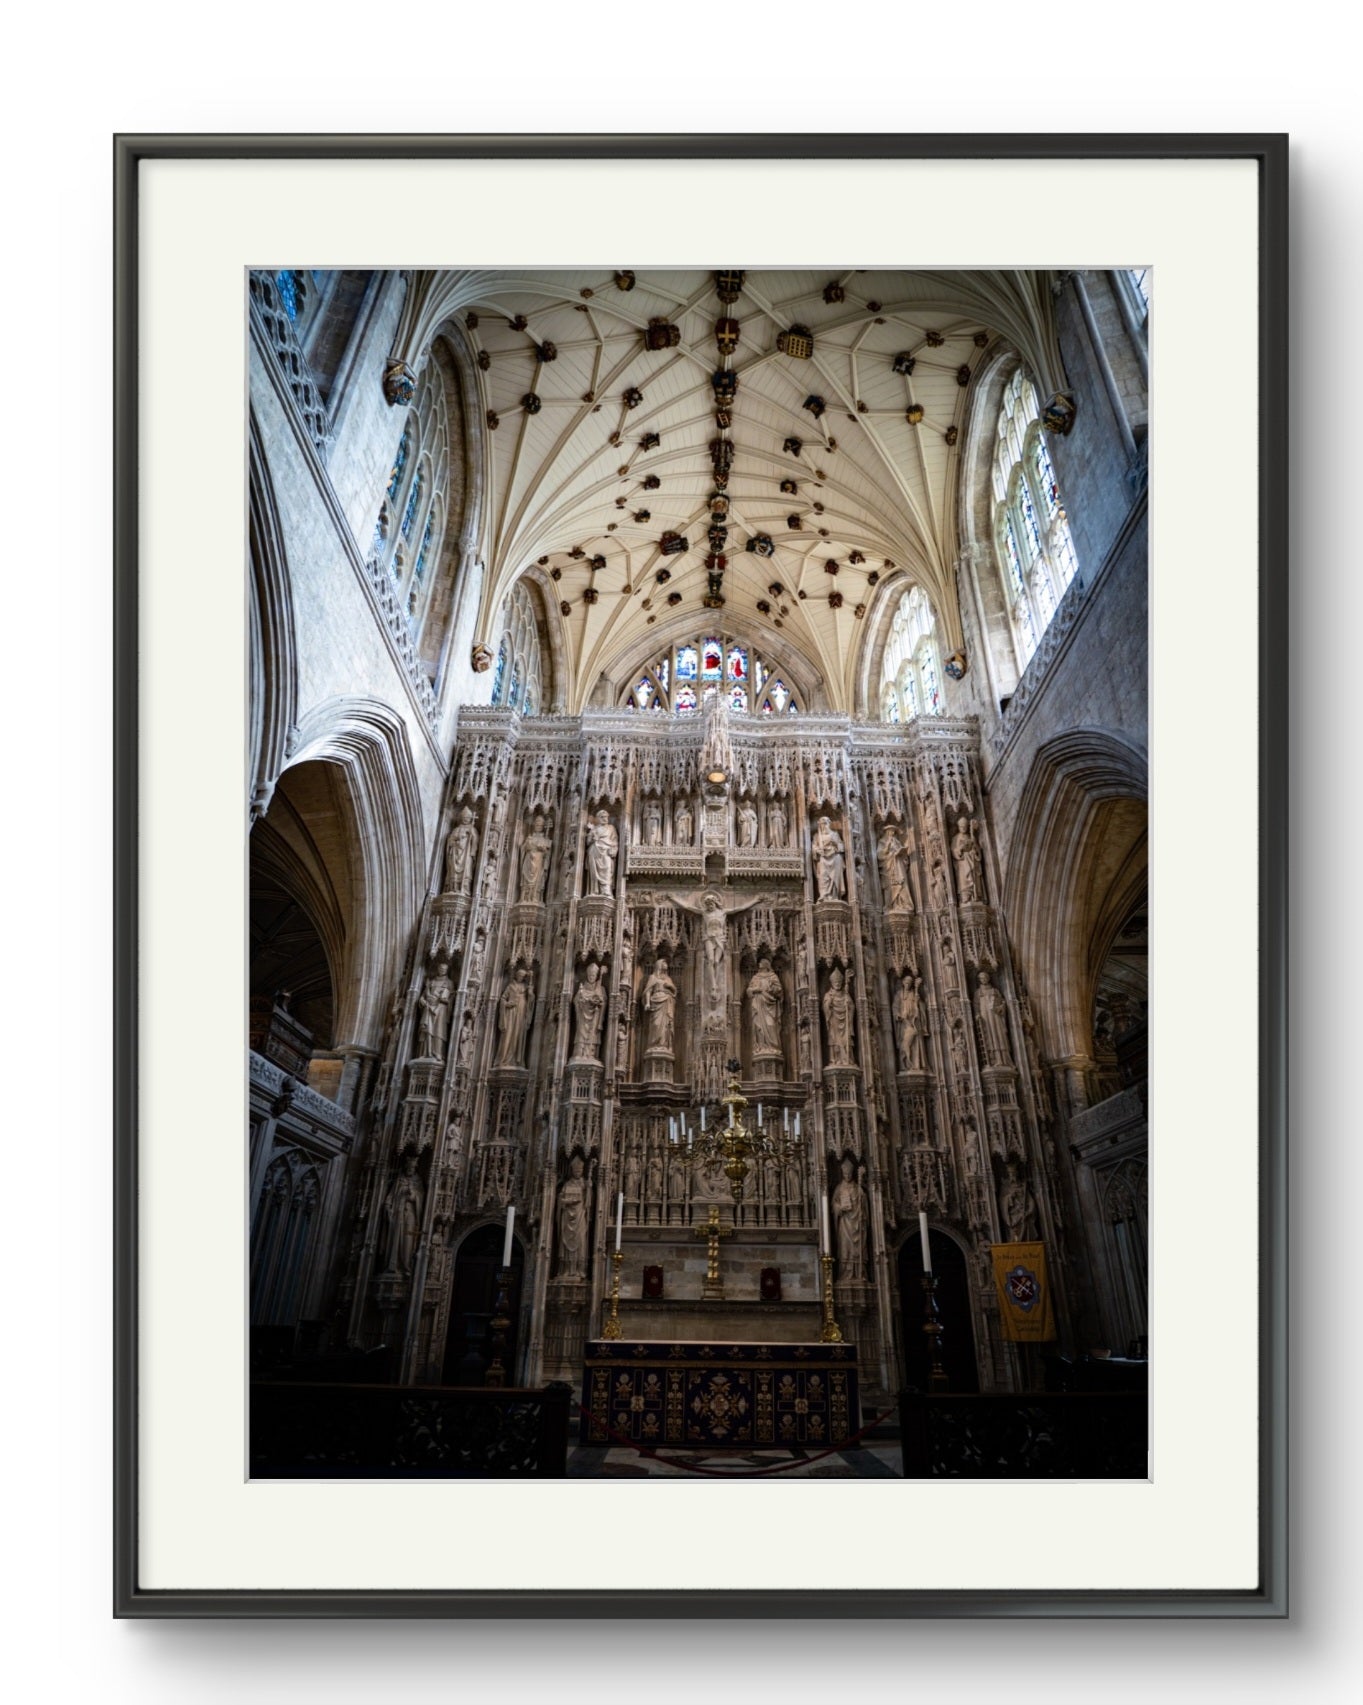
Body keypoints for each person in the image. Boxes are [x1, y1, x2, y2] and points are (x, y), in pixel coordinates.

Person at [381, 1153, 424, 1275]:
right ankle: (392, 1266)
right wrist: (388, 1207)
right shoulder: (399, 1180)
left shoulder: (417, 1181)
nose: (410, 1170)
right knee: (395, 1238)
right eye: (408, 1167)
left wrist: (413, 1195)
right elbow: (390, 1196)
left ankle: (406, 1266)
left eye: (412, 1168)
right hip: (397, 1212)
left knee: (408, 1239)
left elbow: (420, 1197)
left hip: (410, 1214)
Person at [832, 1156, 868, 1279]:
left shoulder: (858, 1189)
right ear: (842, 1173)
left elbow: (864, 1204)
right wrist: (839, 1208)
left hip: (856, 1223)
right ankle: (846, 1275)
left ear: (852, 1173)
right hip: (844, 1223)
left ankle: (859, 1274)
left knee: (858, 1250)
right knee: (845, 1249)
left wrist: (861, 1201)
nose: (847, 1175)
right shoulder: (839, 1188)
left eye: (849, 1173)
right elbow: (834, 1204)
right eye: (845, 1173)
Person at [556, 1156, 590, 1278]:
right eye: (576, 1171)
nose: (578, 1173)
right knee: (566, 1243)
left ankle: (579, 1269)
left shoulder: (585, 1184)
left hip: (580, 1216)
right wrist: (566, 1201)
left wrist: (589, 1188)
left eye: (580, 1171)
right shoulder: (567, 1184)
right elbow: (560, 1199)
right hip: (567, 1218)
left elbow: (589, 1203)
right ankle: (566, 1269)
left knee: (581, 1241)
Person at [493, 966, 532, 1067]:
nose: (520, 977)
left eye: (523, 976)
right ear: (516, 975)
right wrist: (506, 1004)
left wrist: (531, 993)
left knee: (518, 1036)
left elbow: (531, 1000)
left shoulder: (526, 987)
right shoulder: (510, 986)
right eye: (519, 975)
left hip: (521, 1012)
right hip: (510, 1013)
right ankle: (503, 1060)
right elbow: (502, 999)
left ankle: (515, 1060)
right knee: (508, 1035)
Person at [746, 957, 783, 1056]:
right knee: (759, 1027)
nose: (760, 965)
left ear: (767, 965)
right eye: (759, 964)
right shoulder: (756, 977)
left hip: (770, 1006)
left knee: (771, 1025)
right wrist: (755, 989)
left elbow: (779, 990)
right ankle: (761, 1047)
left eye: (762, 963)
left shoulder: (773, 976)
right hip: (758, 1005)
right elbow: (748, 991)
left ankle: (772, 1047)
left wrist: (771, 988)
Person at [416, 961, 453, 1059]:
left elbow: (451, 999)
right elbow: (423, 996)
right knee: (427, 1030)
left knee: (438, 1031)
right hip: (428, 1008)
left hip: (440, 1010)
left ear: (447, 970)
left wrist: (443, 1000)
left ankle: (437, 1052)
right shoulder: (431, 982)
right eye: (440, 968)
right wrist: (422, 1000)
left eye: (444, 969)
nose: (442, 970)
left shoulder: (449, 983)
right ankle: (424, 1052)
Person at [877, 820, 913, 913]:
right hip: (889, 867)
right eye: (890, 831)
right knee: (890, 886)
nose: (892, 833)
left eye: (893, 831)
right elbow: (879, 856)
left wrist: (902, 853)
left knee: (902, 883)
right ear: (886, 832)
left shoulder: (897, 842)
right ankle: (891, 905)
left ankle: (903, 904)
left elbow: (903, 856)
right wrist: (888, 848)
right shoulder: (882, 841)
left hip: (898, 865)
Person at [572, 962, 606, 1059]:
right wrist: (581, 1001)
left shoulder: (601, 988)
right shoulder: (582, 988)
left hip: (595, 1016)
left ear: (596, 976)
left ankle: (590, 1055)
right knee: (581, 1033)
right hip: (583, 1016)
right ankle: (579, 1053)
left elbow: (603, 1003)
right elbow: (576, 1000)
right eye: (590, 975)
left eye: (594, 975)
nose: (591, 977)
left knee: (592, 1035)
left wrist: (598, 1003)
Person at [643, 958, 677, 1053]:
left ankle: (664, 1045)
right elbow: (648, 990)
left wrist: (670, 986)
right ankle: (654, 1044)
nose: (666, 965)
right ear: (659, 965)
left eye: (666, 963)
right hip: (656, 1000)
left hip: (667, 1002)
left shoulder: (668, 979)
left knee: (666, 1025)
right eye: (664, 963)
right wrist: (648, 1003)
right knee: (656, 1024)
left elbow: (674, 991)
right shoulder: (653, 977)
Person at [822, 966, 855, 1065]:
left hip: (845, 1023)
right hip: (834, 1021)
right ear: (832, 983)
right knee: (833, 1040)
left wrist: (848, 1005)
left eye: (839, 982)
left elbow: (852, 1006)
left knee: (846, 1040)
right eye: (835, 982)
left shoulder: (845, 994)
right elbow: (825, 1007)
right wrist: (829, 1003)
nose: (837, 984)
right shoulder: (829, 995)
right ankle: (835, 1060)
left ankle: (847, 1059)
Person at [517, 812, 553, 903]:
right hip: (528, 861)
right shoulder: (529, 838)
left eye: (540, 824)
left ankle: (535, 897)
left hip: (538, 862)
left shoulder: (545, 839)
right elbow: (522, 849)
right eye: (536, 823)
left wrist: (544, 850)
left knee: (538, 880)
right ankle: (523, 898)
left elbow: (547, 854)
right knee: (525, 879)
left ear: (543, 826)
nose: (538, 825)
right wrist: (526, 846)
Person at [444, 806, 478, 895]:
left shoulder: (472, 829)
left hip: (466, 855)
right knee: (453, 872)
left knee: (467, 870)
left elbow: (475, 842)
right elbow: (450, 840)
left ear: (471, 818)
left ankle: (464, 889)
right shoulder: (456, 829)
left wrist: (472, 837)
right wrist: (455, 841)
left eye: (468, 817)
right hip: (456, 853)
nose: (466, 819)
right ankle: (453, 887)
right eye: (464, 817)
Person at [895, 972, 925, 1071]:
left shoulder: (913, 994)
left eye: (910, 982)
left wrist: (917, 1006)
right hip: (903, 1024)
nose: (908, 984)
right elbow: (895, 1007)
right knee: (905, 1044)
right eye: (906, 982)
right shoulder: (899, 995)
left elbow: (919, 1006)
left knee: (914, 1043)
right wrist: (898, 1015)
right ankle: (905, 1064)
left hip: (913, 1022)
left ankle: (915, 1065)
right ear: (903, 982)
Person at [812, 815, 846, 900]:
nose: (824, 825)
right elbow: (814, 847)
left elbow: (841, 846)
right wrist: (817, 850)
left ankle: (834, 896)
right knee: (823, 876)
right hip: (823, 858)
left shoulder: (835, 834)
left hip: (834, 857)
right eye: (822, 824)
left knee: (834, 875)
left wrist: (836, 844)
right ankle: (824, 895)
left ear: (829, 824)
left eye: (826, 823)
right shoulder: (817, 836)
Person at [585, 810, 618, 896]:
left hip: (606, 851)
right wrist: (592, 839)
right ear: (598, 818)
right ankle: (595, 891)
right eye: (602, 817)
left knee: (607, 869)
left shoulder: (611, 828)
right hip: (594, 851)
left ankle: (606, 891)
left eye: (606, 817)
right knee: (594, 872)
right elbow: (588, 842)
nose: (605, 819)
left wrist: (614, 849)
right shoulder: (594, 829)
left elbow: (615, 841)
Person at [952, 816, 983, 905]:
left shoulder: (971, 836)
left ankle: (975, 896)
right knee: (964, 881)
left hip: (971, 860)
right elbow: (954, 852)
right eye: (961, 826)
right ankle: (966, 897)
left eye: (965, 826)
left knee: (973, 878)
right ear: (958, 827)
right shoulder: (956, 838)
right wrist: (960, 849)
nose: (963, 828)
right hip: (962, 863)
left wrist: (974, 850)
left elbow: (977, 851)